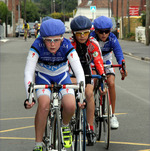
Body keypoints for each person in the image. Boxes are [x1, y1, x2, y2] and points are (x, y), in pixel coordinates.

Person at [24, 18, 85, 151]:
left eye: (56, 40)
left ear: (62, 38)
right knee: (44, 104)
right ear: (43, 39)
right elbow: (28, 71)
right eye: (48, 40)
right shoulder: (37, 45)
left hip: (62, 76)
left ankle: (65, 126)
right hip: (43, 77)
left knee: (70, 105)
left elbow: (79, 71)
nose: (52, 44)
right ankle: (38, 143)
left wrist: (81, 95)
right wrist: (29, 97)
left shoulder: (67, 45)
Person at [70, 15, 105, 146]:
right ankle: (68, 119)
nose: (82, 36)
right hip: (72, 70)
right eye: (79, 34)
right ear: (73, 33)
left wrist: (102, 77)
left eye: (85, 33)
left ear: (89, 32)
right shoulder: (69, 44)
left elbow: (98, 62)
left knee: (89, 93)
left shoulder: (93, 44)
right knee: (71, 92)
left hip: (86, 70)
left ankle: (90, 127)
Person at [91, 16, 128, 129]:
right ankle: (89, 106)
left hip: (106, 60)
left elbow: (118, 53)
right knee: (92, 82)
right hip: (93, 60)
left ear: (110, 31)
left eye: (106, 31)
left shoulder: (112, 38)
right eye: (101, 32)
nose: (104, 34)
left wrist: (122, 67)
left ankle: (112, 115)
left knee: (111, 83)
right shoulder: (91, 38)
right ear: (96, 31)